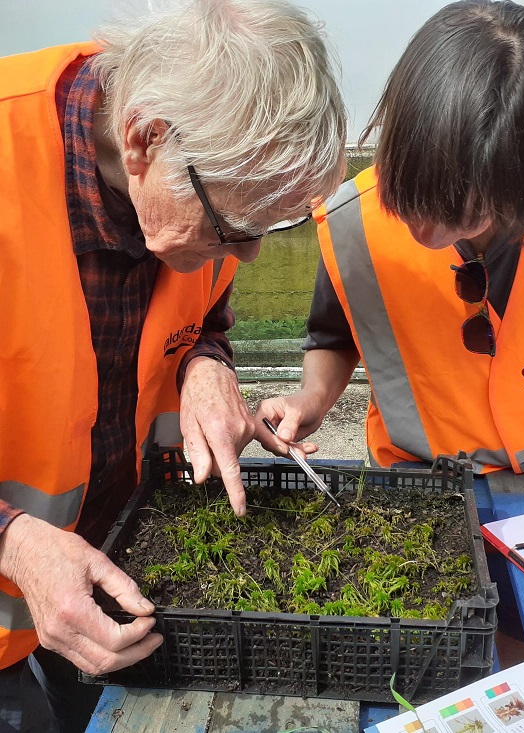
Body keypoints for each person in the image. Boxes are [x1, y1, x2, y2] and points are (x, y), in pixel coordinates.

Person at [0, 0, 346, 729]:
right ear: (144, 141)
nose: (249, 254)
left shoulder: (193, 199)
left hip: (107, 595)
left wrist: (207, 362)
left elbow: (205, 318)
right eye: (235, 226)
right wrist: (17, 541)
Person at [256, 1, 524, 489]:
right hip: (424, 490)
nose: (427, 237)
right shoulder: (353, 222)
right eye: (408, 199)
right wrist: (312, 396)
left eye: (464, 214)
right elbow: (334, 335)